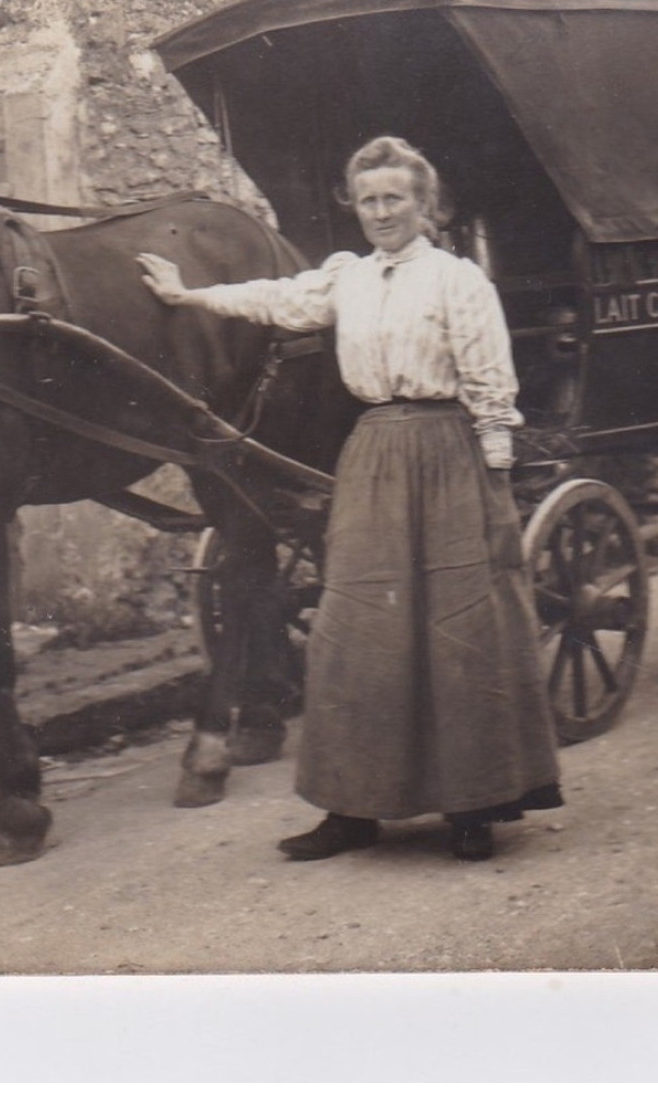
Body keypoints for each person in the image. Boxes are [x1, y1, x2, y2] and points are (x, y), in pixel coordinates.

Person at [137, 136, 561, 862]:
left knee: (456, 628)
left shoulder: (457, 282)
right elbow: (275, 299)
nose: (380, 212)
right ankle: (351, 808)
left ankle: (471, 807)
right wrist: (186, 294)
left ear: (424, 205)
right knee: (352, 626)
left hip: (447, 449)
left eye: (394, 198)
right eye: (367, 200)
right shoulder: (347, 279)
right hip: (372, 452)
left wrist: (492, 460)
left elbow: (489, 373)